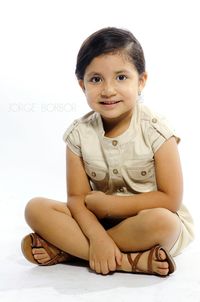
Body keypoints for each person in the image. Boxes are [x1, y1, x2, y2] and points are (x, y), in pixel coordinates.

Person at [21, 27, 194, 277]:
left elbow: (170, 199)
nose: (108, 89)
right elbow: (77, 199)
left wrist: (111, 205)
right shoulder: (78, 134)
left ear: (141, 81)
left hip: (143, 223)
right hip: (95, 223)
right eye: (96, 79)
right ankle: (128, 261)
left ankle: (68, 251)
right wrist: (97, 236)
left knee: (163, 222)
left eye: (121, 77)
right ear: (82, 85)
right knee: (35, 208)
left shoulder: (157, 131)